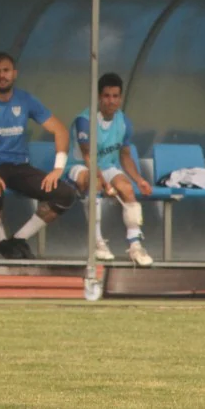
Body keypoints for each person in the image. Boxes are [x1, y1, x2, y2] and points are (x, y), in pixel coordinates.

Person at [0, 51, 79, 260]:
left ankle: (18, 239)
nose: (2, 76)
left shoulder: (25, 100)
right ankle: (0, 242)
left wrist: (58, 169)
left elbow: (60, 130)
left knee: (65, 194)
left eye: (6, 71)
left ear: (14, 73)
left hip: (19, 167)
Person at [67, 73, 154, 266]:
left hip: (107, 166)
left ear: (121, 98)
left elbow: (124, 156)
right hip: (79, 166)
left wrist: (139, 180)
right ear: (99, 97)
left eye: (115, 96)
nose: (111, 101)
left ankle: (135, 246)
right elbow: (88, 157)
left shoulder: (124, 122)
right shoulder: (84, 120)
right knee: (94, 183)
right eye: (107, 96)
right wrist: (105, 184)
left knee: (128, 189)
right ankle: (97, 243)